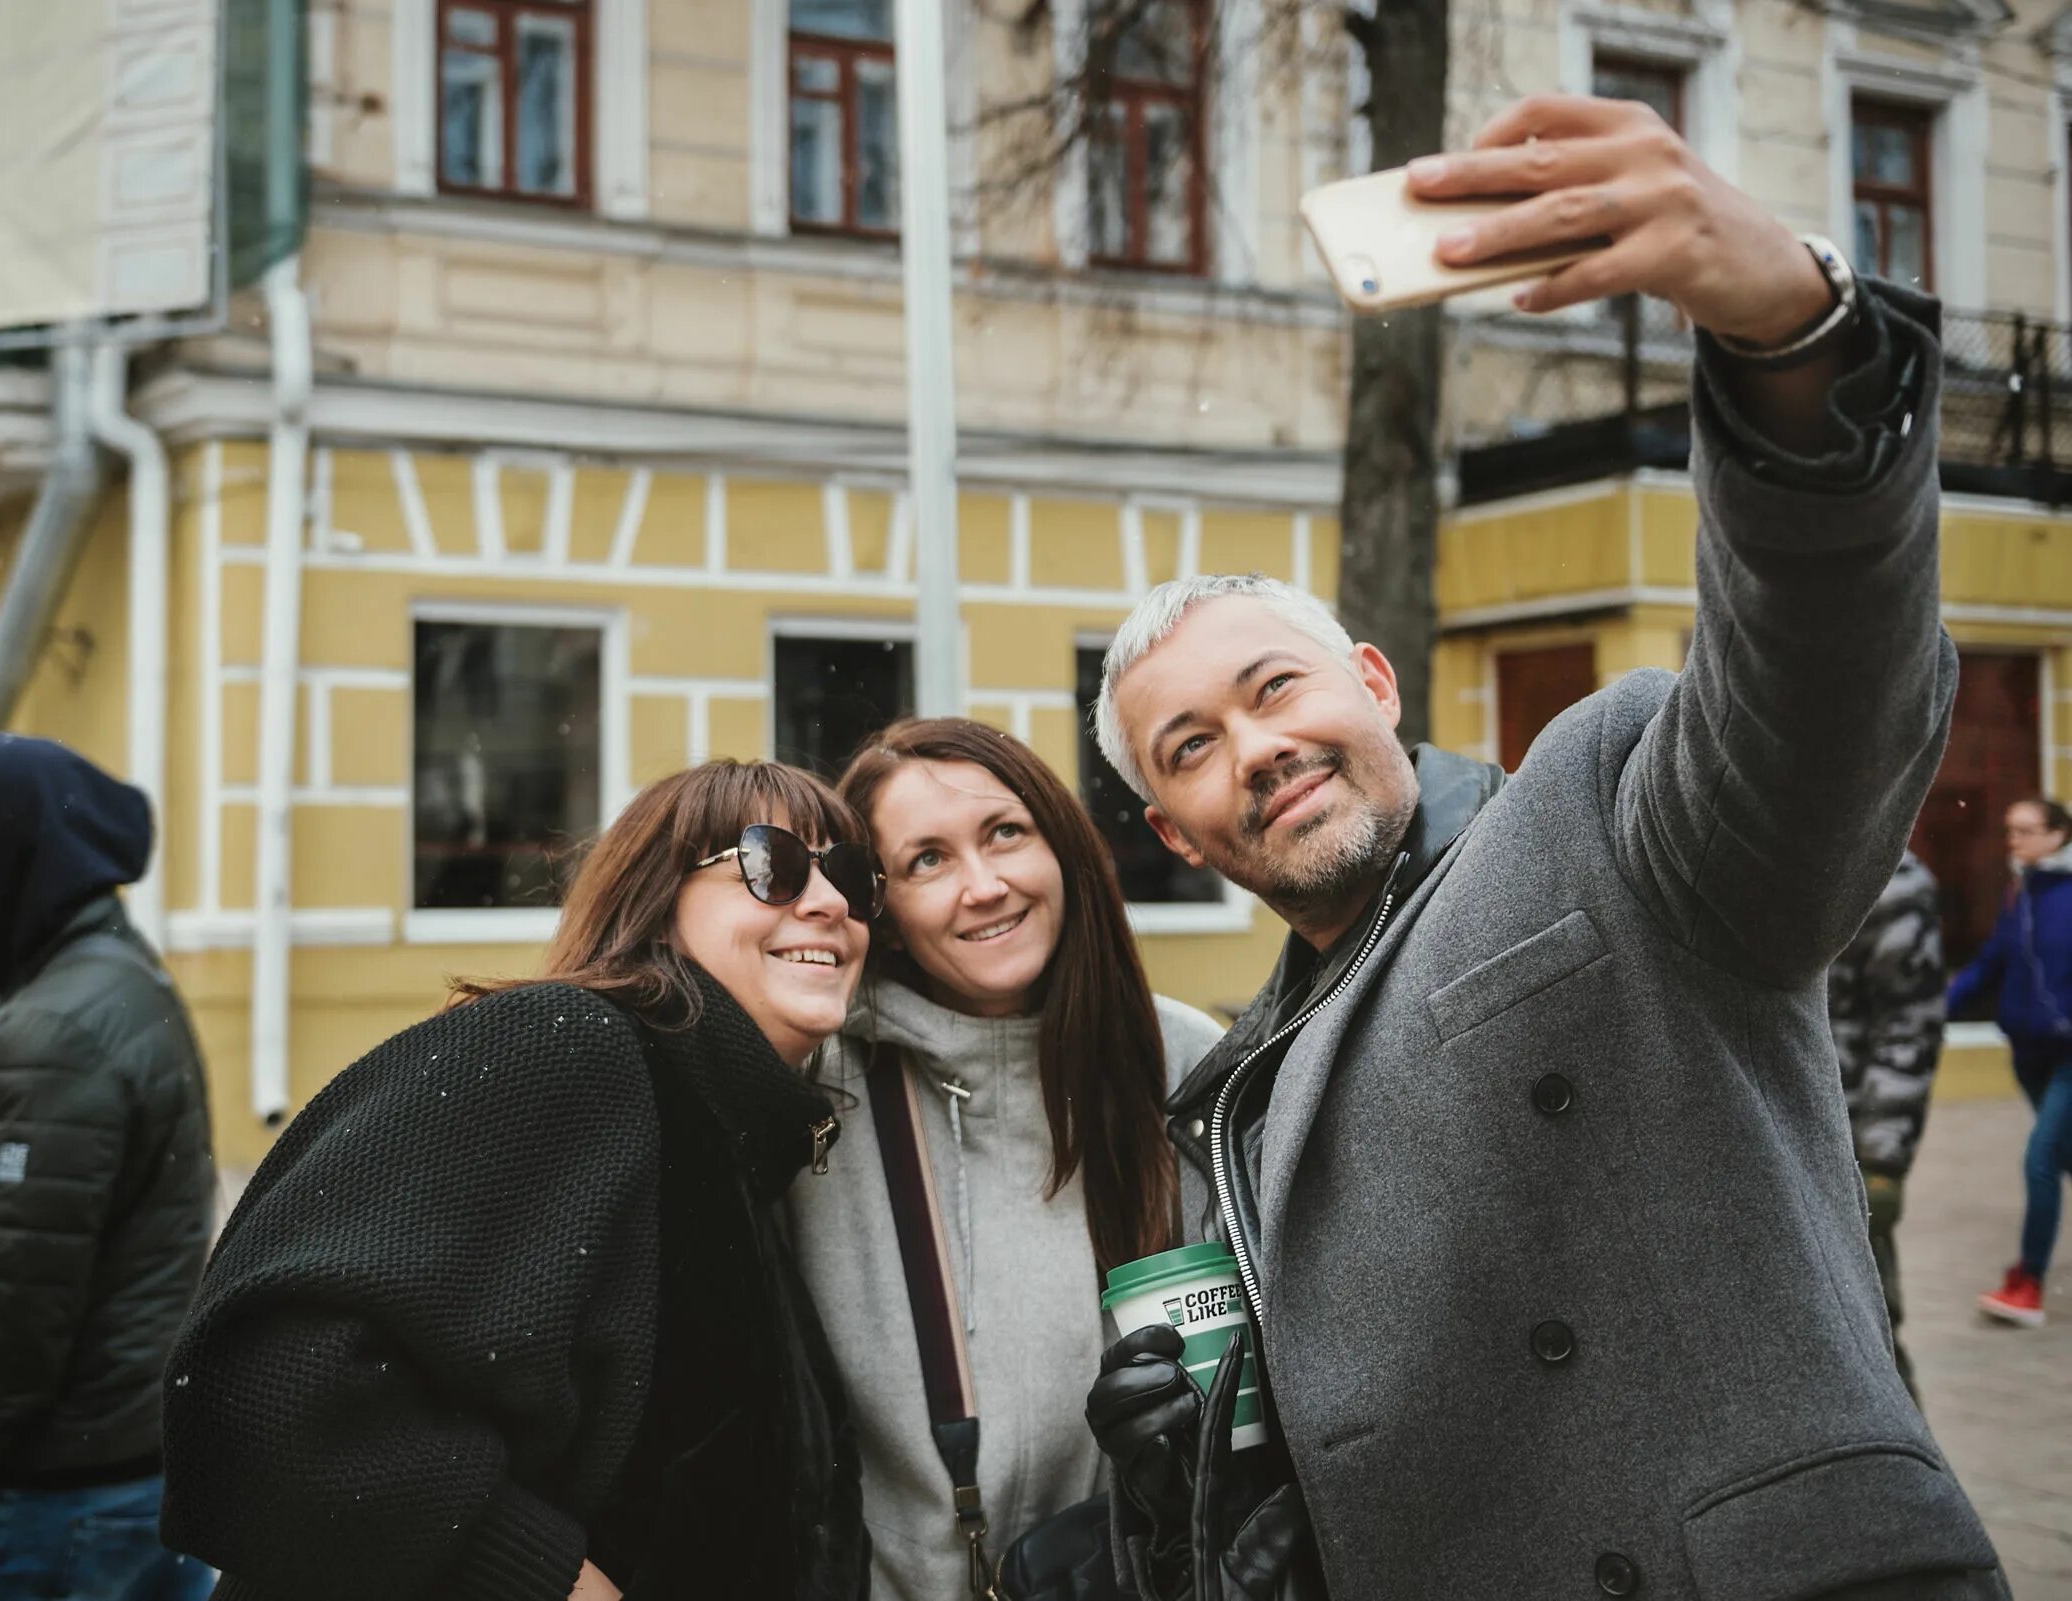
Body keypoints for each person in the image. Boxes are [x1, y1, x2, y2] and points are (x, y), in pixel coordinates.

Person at [1082, 95, 2001, 1600]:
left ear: (1371, 684)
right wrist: (1203, 1475)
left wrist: (1789, 345)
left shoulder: (1598, 814)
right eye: (1190, 748)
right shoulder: (1236, 1093)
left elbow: (1819, 695)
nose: (1253, 750)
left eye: (1274, 690)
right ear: (1168, 828)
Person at [159, 760, 880, 1601]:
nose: (828, 901)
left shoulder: (743, 1142)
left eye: (852, 877)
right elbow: (265, 1393)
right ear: (655, 899)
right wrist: (543, 1580)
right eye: (773, 864)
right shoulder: (571, 1046)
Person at [785, 718, 1223, 1601]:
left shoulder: (1179, 1061)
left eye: (1004, 834)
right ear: (886, 913)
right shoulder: (816, 1090)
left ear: (1062, 847)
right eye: (927, 861)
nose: (983, 886)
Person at [0, 735, 216, 1601]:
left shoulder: (56, 1029)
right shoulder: (126, 983)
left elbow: (13, 1303)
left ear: (24, 854)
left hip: (44, 1504)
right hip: (128, 1478)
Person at [1946, 796, 2072, 1327]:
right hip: (2029, 1055)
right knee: (2062, 1156)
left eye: (2024, 831)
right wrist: (1934, 1010)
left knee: (2040, 1159)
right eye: (2009, 830)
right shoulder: (2021, 891)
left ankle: (2027, 1284)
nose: (2012, 841)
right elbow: (1993, 962)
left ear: (2059, 835)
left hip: (2069, 1055)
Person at [1828, 851, 1946, 1395]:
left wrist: (1881, 1159)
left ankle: (1907, 1479)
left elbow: (1908, 1024)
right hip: (1725, 1153)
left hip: (1838, 1152)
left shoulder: (1885, 874)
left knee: (1868, 1344)